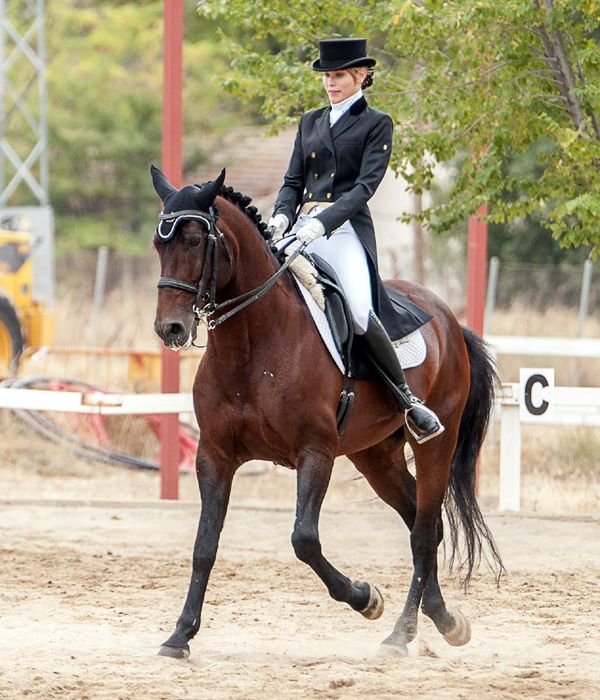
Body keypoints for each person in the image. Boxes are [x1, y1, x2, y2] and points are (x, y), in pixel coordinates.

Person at [267, 38, 443, 444]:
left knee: (361, 313)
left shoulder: (376, 123)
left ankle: (407, 399)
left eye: (339, 76)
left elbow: (364, 187)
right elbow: (293, 181)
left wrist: (323, 222)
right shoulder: (310, 121)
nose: (330, 83)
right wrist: (280, 216)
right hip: (300, 228)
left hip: (343, 232)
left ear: (361, 76)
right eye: (327, 76)